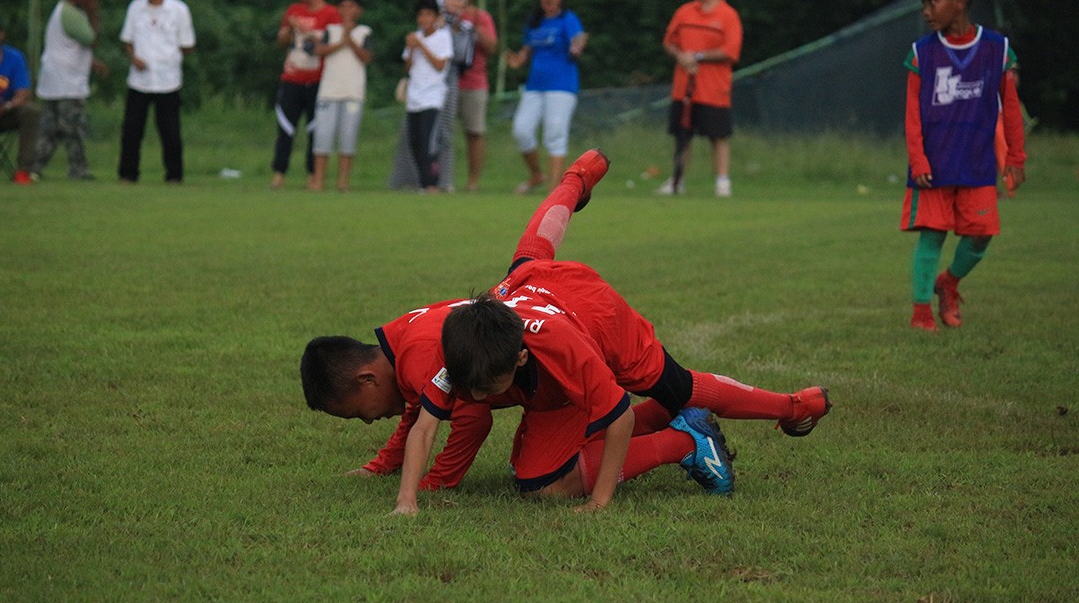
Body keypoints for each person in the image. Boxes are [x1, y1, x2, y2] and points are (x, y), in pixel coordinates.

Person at [301, 150, 831, 515]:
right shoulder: (451, 353)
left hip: (595, 317)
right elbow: (425, 422)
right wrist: (406, 498)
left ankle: (780, 410)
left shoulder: (559, 350)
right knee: (528, 256)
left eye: (487, 389)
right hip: (524, 293)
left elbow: (615, 414)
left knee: (671, 385)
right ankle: (577, 177)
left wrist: (600, 503)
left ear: (520, 362)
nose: (480, 399)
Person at [901, 0, 1026, 332]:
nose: (925, 11)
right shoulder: (920, 53)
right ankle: (921, 313)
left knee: (981, 234)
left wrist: (1016, 157)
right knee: (933, 235)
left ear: (960, 2)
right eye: (922, 3)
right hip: (934, 165)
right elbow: (911, 115)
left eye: (932, 2)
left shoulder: (996, 49)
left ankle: (949, 282)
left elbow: (1012, 108)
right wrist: (918, 158)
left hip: (977, 164)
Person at [658, 0, 742, 198]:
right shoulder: (684, 12)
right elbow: (669, 42)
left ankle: (722, 183)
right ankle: (677, 180)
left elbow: (731, 52)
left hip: (714, 89)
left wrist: (698, 56)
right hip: (684, 88)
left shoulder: (728, 16)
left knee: (719, 136)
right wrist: (681, 56)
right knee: (682, 135)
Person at [505, 0, 588, 193]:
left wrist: (577, 46)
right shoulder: (535, 21)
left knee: (555, 132)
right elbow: (526, 53)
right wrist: (516, 60)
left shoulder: (568, 19)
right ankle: (536, 174)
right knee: (521, 129)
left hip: (562, 86)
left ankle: (555, 189)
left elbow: (578, 40)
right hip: (535, 86)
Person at [117, 0, 195, 184]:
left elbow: (187, 45)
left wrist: (167, 56)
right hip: (139, 79)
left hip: (167, 79)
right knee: (132, 130)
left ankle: (174, 175)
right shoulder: (135, 7)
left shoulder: (179, 10)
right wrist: (134, 58)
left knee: (170, 131)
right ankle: (128, 173)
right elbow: (128, 40)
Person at [269, 0, 341, 191]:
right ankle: (279, 173)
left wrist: (306, 32)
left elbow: (332, 46)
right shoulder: (294, 10)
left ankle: (313, 175)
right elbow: (281, 43)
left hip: (318, 79)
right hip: (292, 77)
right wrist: (287, 33)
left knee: (315, 129)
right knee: (286, 127)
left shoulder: (330, 14)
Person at [34, 0, 109, 181]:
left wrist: (93, 63)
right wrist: (94, 13)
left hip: (53, 78)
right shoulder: (72, 14)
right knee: (72, 127)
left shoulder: (61, 10)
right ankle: (78, 169)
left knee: (50, 128)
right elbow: (91, 39)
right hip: (66, 81)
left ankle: (34, 167)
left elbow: (68, 47)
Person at [309, 0, 372, 192]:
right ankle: (318, 180)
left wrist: (350, 40)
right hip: (329, 91)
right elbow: (319, 51)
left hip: (353, 92)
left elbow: (366, 57)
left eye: (352, 6)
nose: (347, 10)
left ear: (359, 10)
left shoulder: (364, 32)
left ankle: (343, 181)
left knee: (348, 136)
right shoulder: (330, 30)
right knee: (323, 137)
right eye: (343, 6)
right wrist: (341, 41)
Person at [450, 0, 498, 192]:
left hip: (474, 81)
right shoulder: (445, 14)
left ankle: (473, 181)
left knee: (474, 132)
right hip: (447, 82)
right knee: (442, 133)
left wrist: (476, 27)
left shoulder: (482, 16)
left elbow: (491, 48)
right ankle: (441, 178)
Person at [402, 0, 453, 192]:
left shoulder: (443, 37)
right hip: (414, 97)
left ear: (435, 17)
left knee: (428, 141)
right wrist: (411, 47)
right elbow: (407, 67)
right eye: (421, 15)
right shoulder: (414, 37)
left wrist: (421, 45)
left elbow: (440, 65)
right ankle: (422, 182)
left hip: (433, 97)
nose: (424, 19)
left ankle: (432, 182)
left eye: (428, 14)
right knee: (414, 141)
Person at [0, 16, 40, 185]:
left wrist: (6, 106)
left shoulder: (14, 58)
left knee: (31, 111)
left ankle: (23, 170)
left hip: (5, 114)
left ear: (2, 34)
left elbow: (23, 93)